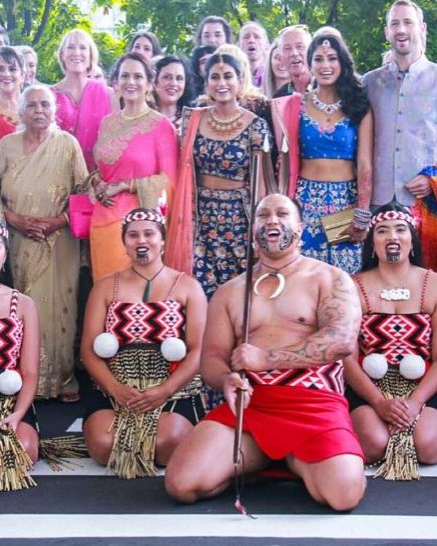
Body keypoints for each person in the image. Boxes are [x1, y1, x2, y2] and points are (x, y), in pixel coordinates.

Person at [165, 193, 365, 511]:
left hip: (314, 405)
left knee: (343, 495)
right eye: (264, 215)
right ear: (253, 229)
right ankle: (263, 459)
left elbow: (340, 342)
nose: (273, 219)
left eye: (282, 213)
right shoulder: (230, 291)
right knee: (182, 484)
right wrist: (227, 379)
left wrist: (268, 359)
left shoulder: (330, 278)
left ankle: (296, 461)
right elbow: (212, 360)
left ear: (299, 227)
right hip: (252, 406)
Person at [81, 207, 207, 477]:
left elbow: (199, 350)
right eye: (133, 235)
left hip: (172, 390)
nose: (141, 241)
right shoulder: (105, 287)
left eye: (149, 234)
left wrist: (165, 390)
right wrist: (115, 388)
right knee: (103, 445)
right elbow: (89, 351)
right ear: (124, 243)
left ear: (162, 240)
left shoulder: (188, 287)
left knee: (167, 443)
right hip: (116, 390)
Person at [0, 85, 88, 400]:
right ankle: (30, 379)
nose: (39, 110)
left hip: (59, 239)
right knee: (27, 305)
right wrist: (13, 219)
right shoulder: (7, 145)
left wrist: (58, 221)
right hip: (20, 240)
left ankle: (63, 378)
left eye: (45, 105)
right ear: (21, 111)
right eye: (33, 105)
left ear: (55, 110)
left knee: (63, 306)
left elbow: (83, 192)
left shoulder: (68, 145)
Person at [166, 52, 271, 300]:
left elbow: (260, 183)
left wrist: (260, 226)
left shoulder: (256, 125)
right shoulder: (193, 120)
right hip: (199, 216)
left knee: (237, 289)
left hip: (237, 218)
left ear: (239, 80)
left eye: (228, 76)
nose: (221, 83)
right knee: (198, 287)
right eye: (214, 77)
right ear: (206, 82)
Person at [345, 202, 437, 476]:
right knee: (372, 444)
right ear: (372, 244)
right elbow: (346, 359)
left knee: (429, 446)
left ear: (412, 241)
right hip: (369, 386)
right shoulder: (352, 286)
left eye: (400, 230)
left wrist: (415, 402)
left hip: (424, 385)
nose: (393, 237)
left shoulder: (433, 284)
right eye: (383, 231)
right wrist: (379, 402)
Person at [281, 34, 373, 274]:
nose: (325, 65)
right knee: (304, 275)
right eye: (318, 59)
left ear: (342, 63)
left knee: (345, 276)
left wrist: (363, 212)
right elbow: (285, 161)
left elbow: (364, 164)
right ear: (309, 65)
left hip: (346, 201)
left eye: (332, 58)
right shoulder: (296, 106)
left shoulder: (358, 105)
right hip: (306, 201)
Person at [362, 0, 437, 271]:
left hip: (425, 204)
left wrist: (433, 177)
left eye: (408, 22)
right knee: (375, 283)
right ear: (387, 32)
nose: (401, 29)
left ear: (422, 28)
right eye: (395, 23)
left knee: (425, 284)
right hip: (376, 203)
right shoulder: (369, 83)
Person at [91, 52, 179, 282]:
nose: (131, 82)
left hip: (139, 227)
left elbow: (170, 182)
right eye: (125, 76)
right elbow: (102, 168)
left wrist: (124, 186)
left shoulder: (161, 126)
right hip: (102, 220)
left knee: (135, 295)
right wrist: (96, 181)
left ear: (150, 84)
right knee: (106, 293)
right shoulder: (107, 123)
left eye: (138, 77)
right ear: (115, 83)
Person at [0, 222, 40, 466]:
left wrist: (16, 415)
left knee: (22, 451)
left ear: (4, 254)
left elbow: (31, 373)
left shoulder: (22, 304)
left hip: (9, 402)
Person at [52, 28, 117, 171]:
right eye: (71, 47)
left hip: (99, 178)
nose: (77, 52)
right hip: (57, 175)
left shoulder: (109, 94)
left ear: (91, 56)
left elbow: (118, 141)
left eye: (82, 48)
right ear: (62, 55)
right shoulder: (49, 96)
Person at [153, 55, 194, 131]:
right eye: (167, 77)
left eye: (179, 78)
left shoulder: (192, 121)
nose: (173, 83)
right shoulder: (143, 119)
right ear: (155, 82)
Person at [274, 25, 312, 98]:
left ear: (311, 50)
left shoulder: (325, 88)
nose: (294, 53)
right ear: (280, 56)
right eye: (287, 48)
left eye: (299, 46)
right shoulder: (280, 97)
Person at [0, 46, 25, 139]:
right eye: (0, 69)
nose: (6, 74)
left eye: (12, 69)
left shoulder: (36, 107)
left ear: (22, 75)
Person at [238, 21, 269, 87]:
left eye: (256, 37)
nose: (251, 40)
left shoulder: (274, 74)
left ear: (266, 45)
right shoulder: (234, 75)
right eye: (246, 37)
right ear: (238, 45)